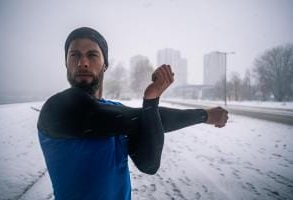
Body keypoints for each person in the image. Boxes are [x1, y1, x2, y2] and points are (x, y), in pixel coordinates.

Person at [37, 27, 228, 200]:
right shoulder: (58, 109)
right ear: (66, 63)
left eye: (92, 55)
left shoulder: (115, 110)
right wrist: (203, 115)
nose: (83, 62)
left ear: (105, 64)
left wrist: (151, 100)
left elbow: (149, 164)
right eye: (74, 55)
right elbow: (138, 119)